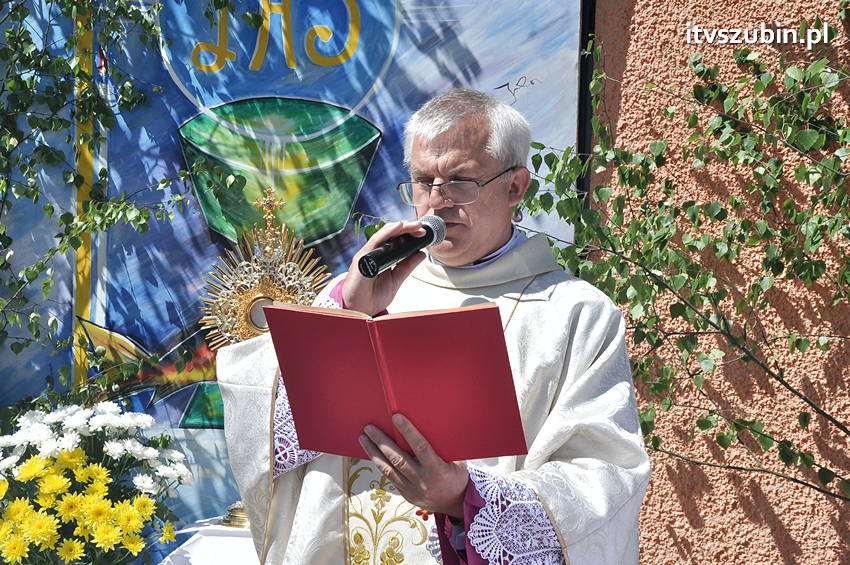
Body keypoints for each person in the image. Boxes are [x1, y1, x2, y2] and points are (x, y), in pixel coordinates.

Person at [217, 89, 651, 565]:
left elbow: (603, 475)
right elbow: (265, 426)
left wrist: (465, 496)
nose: (438, 202)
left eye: (461, 181)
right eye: (423, 182)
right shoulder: (365, 287)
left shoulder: (574, 313)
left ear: (515, 187)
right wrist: (345, 310)